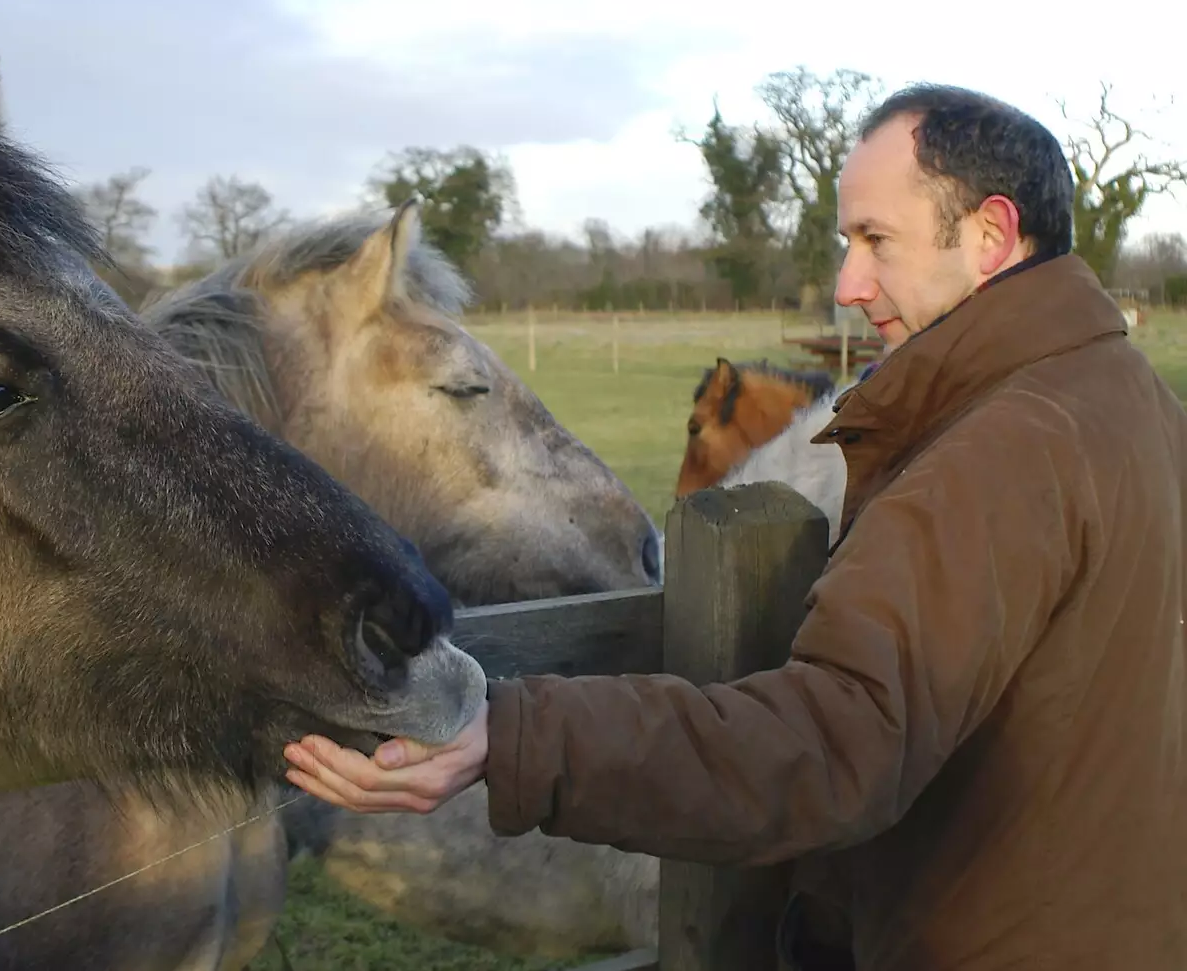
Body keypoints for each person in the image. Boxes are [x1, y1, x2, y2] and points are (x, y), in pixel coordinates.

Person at [283, 83, 1187, 969]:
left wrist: (509, 737)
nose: (848, 283)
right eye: (846, 243)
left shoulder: (991, 455)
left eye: (877, 240)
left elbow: (836, 744)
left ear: (991, 234)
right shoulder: (1134, 399)